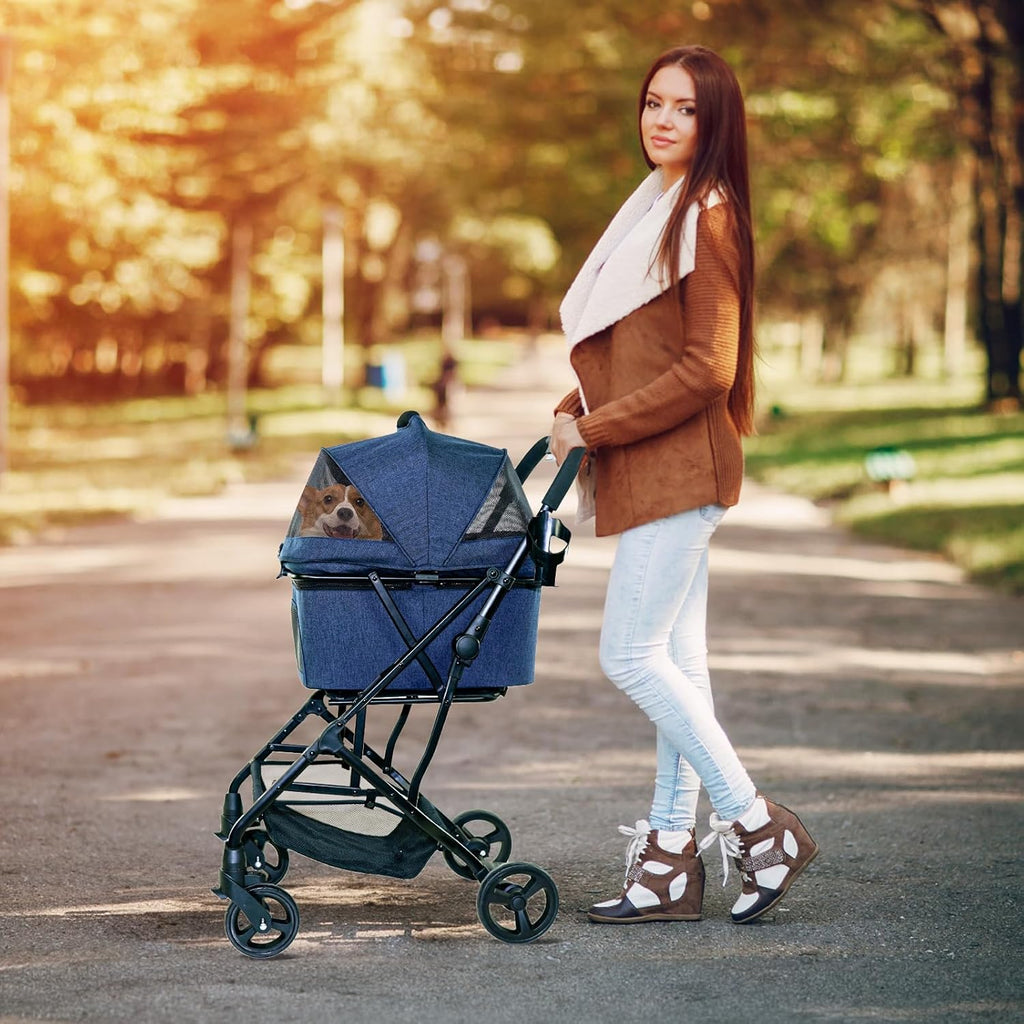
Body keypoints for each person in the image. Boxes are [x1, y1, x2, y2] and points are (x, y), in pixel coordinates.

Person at [549, 45, 818, 925]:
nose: (662, 120)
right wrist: (574, 404)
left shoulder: (709, 217)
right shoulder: (658, 208)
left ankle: (756, 826)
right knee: (678, 667)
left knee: (628, 656)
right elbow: (639, 346)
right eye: (653, 102)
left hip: (681, 468)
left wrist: (590, 430)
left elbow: (709, 368)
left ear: (715, 124)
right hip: (658, 468)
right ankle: (668, 860)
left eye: (685, 109)